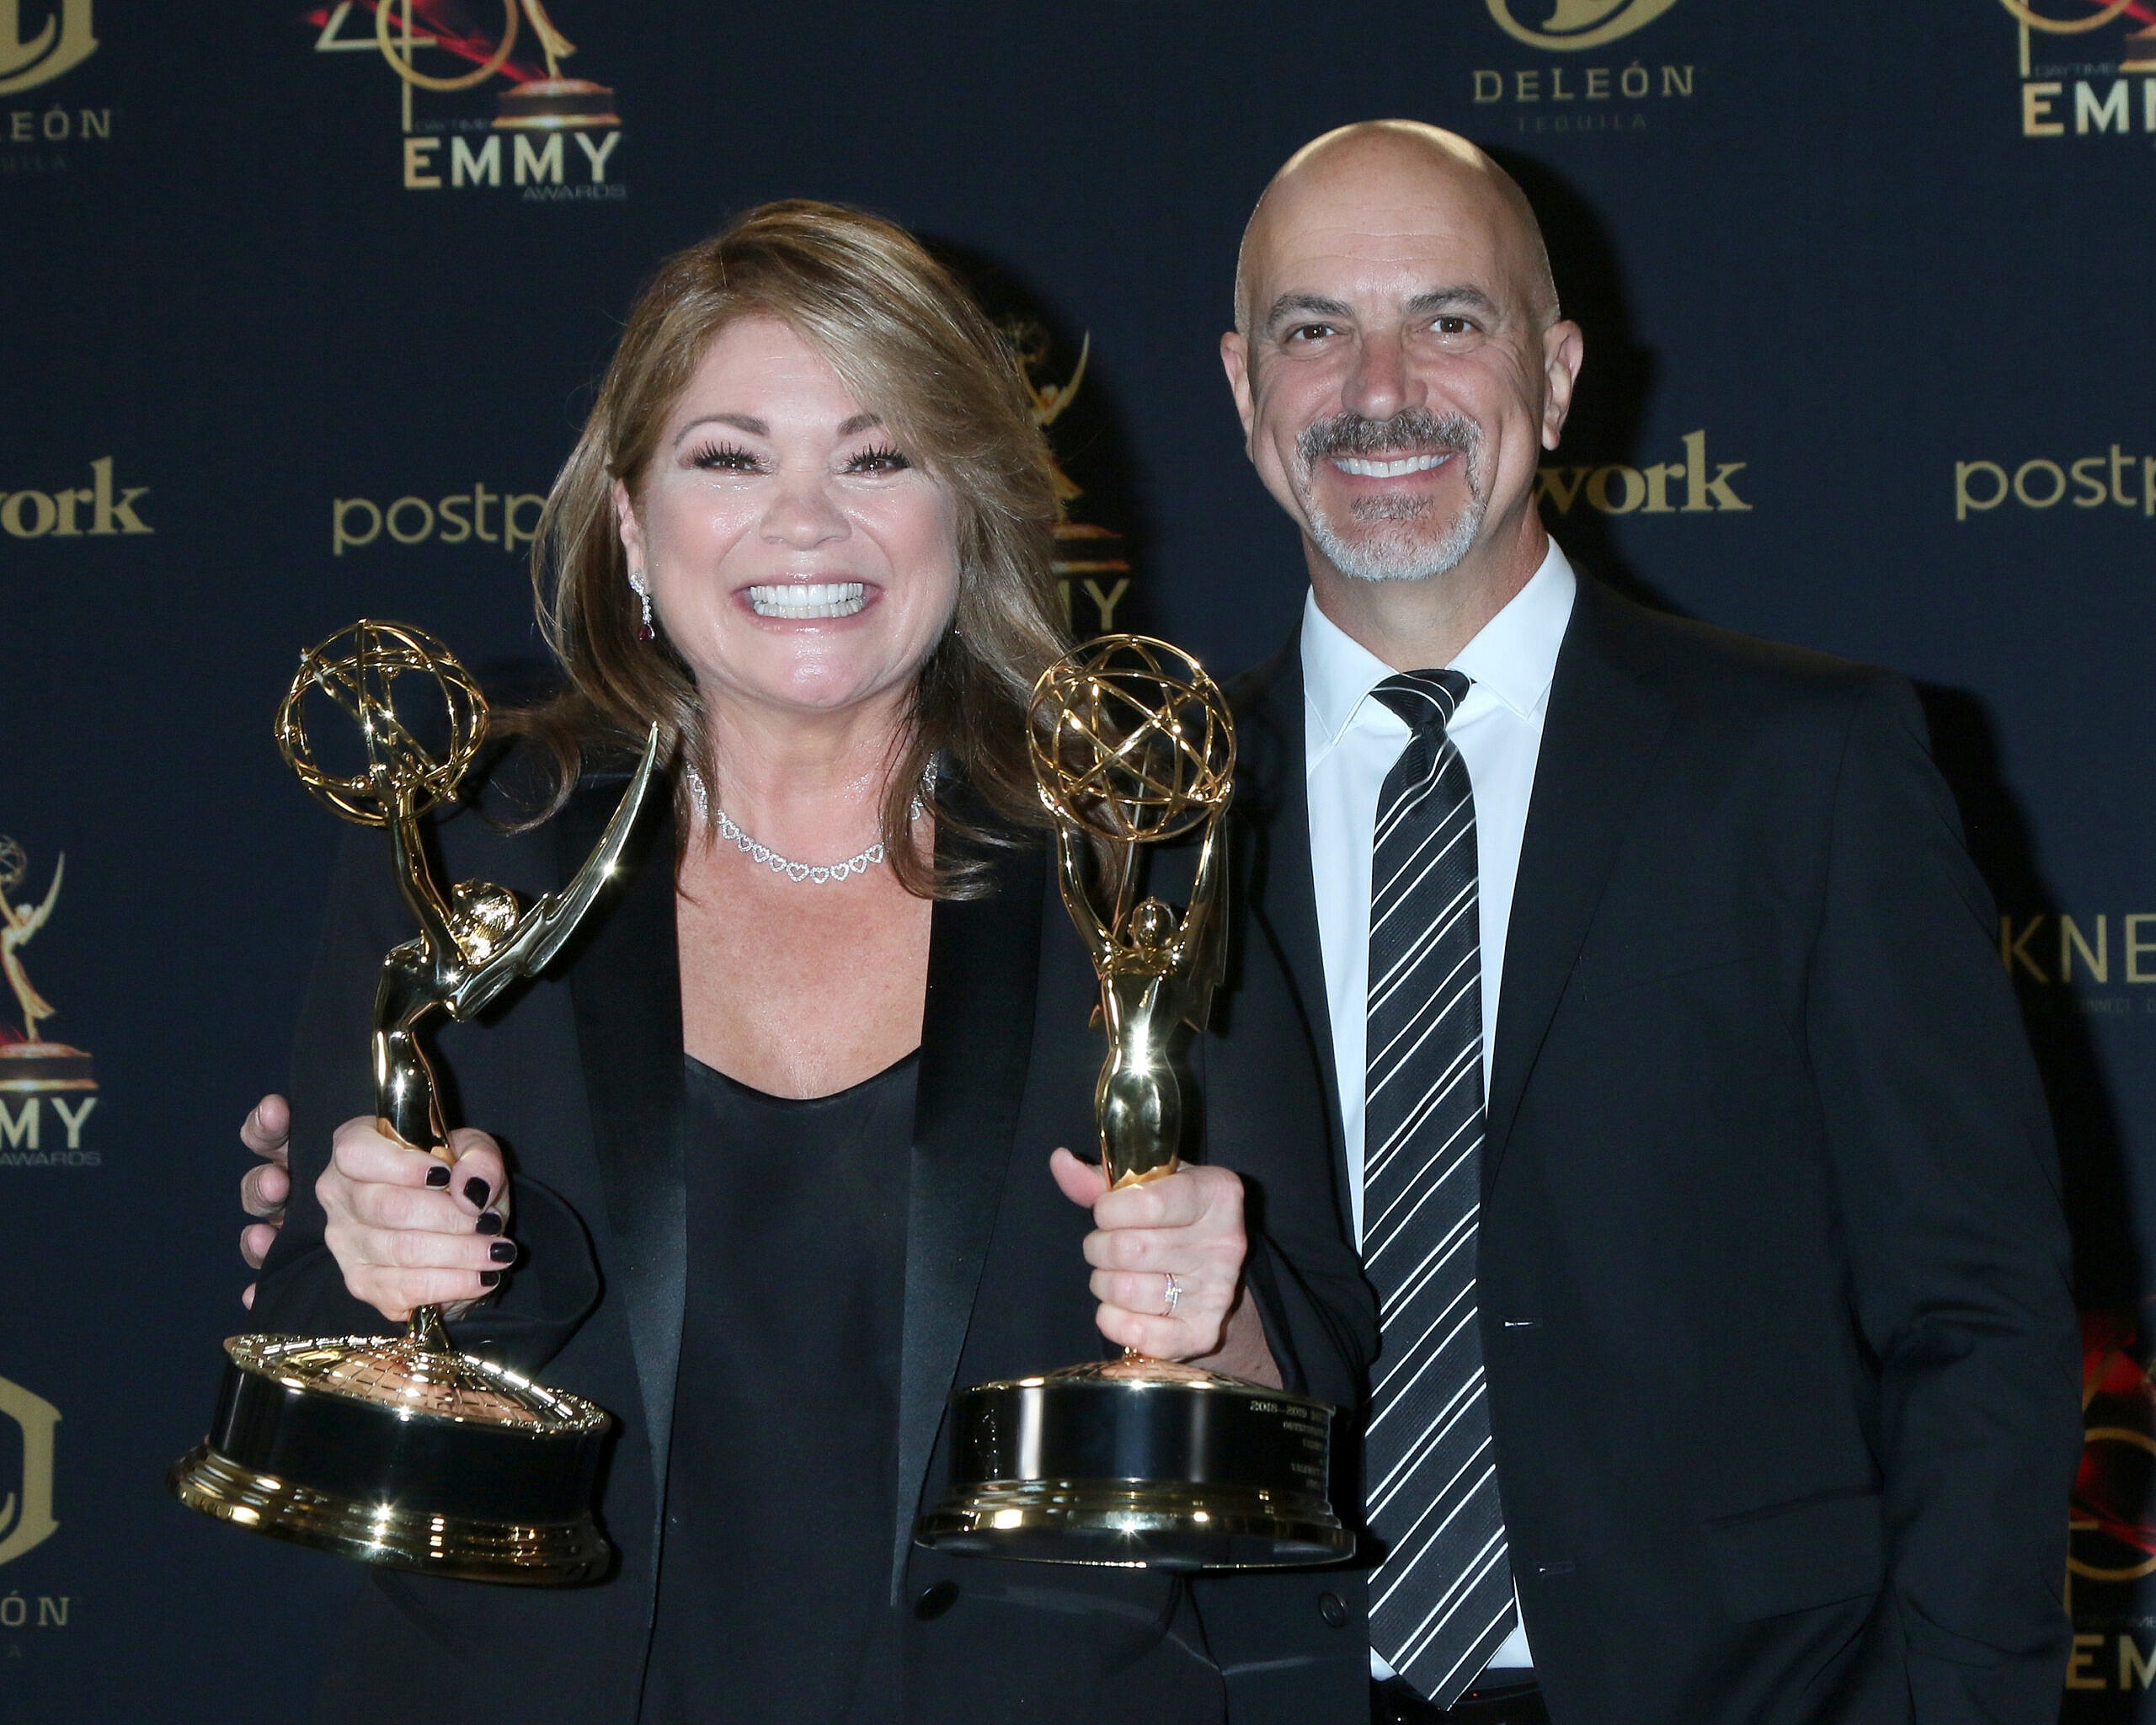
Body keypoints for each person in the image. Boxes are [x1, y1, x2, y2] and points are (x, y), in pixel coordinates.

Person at [231, 200, 1375, 1725]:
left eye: (876, 454)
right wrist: (432, 1261)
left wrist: (1213, 1318)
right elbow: (312, 1319)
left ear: (964, 509)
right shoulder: (470, 841)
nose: (808, 521)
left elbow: (1309, 1367)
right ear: (630, 525)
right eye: (728, 456)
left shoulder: (1130, 845)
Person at [1216, 122, 2082, 1725]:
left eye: (1449, 321)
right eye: (1314, 328)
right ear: (1244, 392)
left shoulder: (1808, 767)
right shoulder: (1151, 819)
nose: (1378, 386)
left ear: (1552, 377)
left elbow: (1981, 1317)